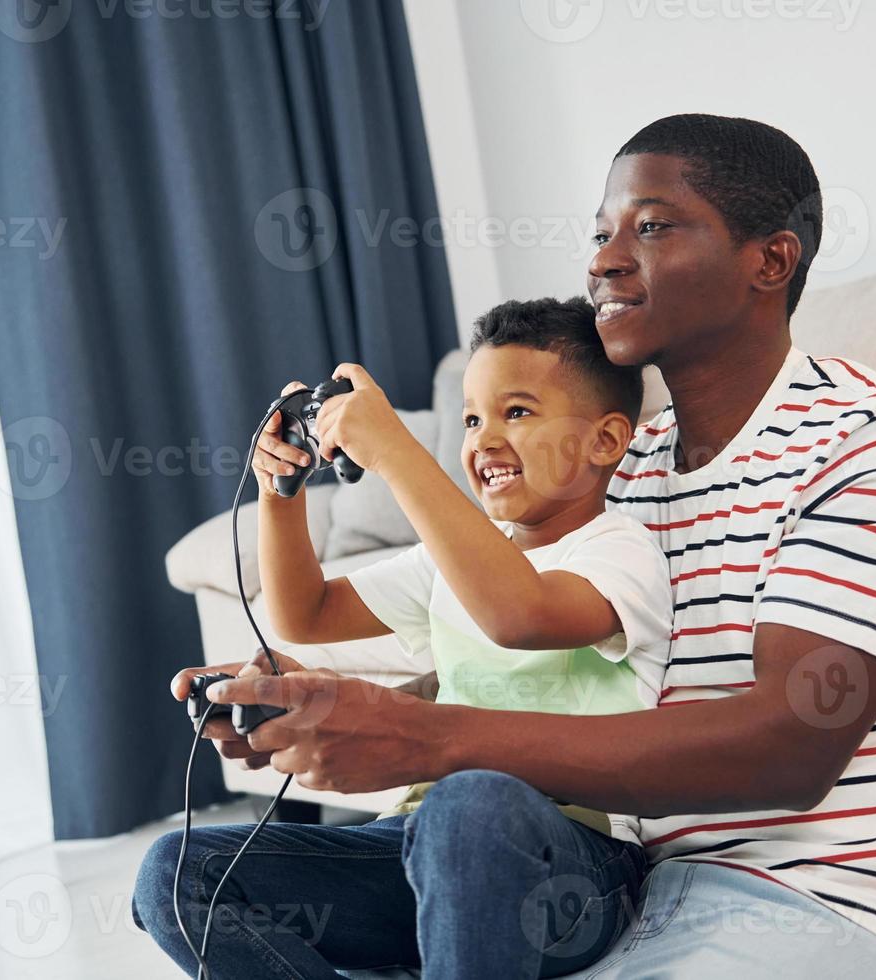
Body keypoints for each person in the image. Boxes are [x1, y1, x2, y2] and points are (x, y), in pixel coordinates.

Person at [142, 114, 876, 980]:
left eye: (654, 226)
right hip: (638, 891)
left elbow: (793, 745)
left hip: (831, 900)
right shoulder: (620, 476)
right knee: (190, 876)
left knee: (473, 805)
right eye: (600, 232)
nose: (602, 259)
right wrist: (325, 705)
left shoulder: (875, 448)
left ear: (770, 262)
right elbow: (518, 673)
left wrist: (426, 736)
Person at [132, 296, 673, 977]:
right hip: (416, 849)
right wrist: (281, 492)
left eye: (518, 412)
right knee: (176, 874)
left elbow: (521, 614)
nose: (483, 438)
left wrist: (396, 453)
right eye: (473, 418)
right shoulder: (451, 560)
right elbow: (305, 613)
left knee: (469, 802)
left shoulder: (618, 552)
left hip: (577, 867)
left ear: (606, 440)